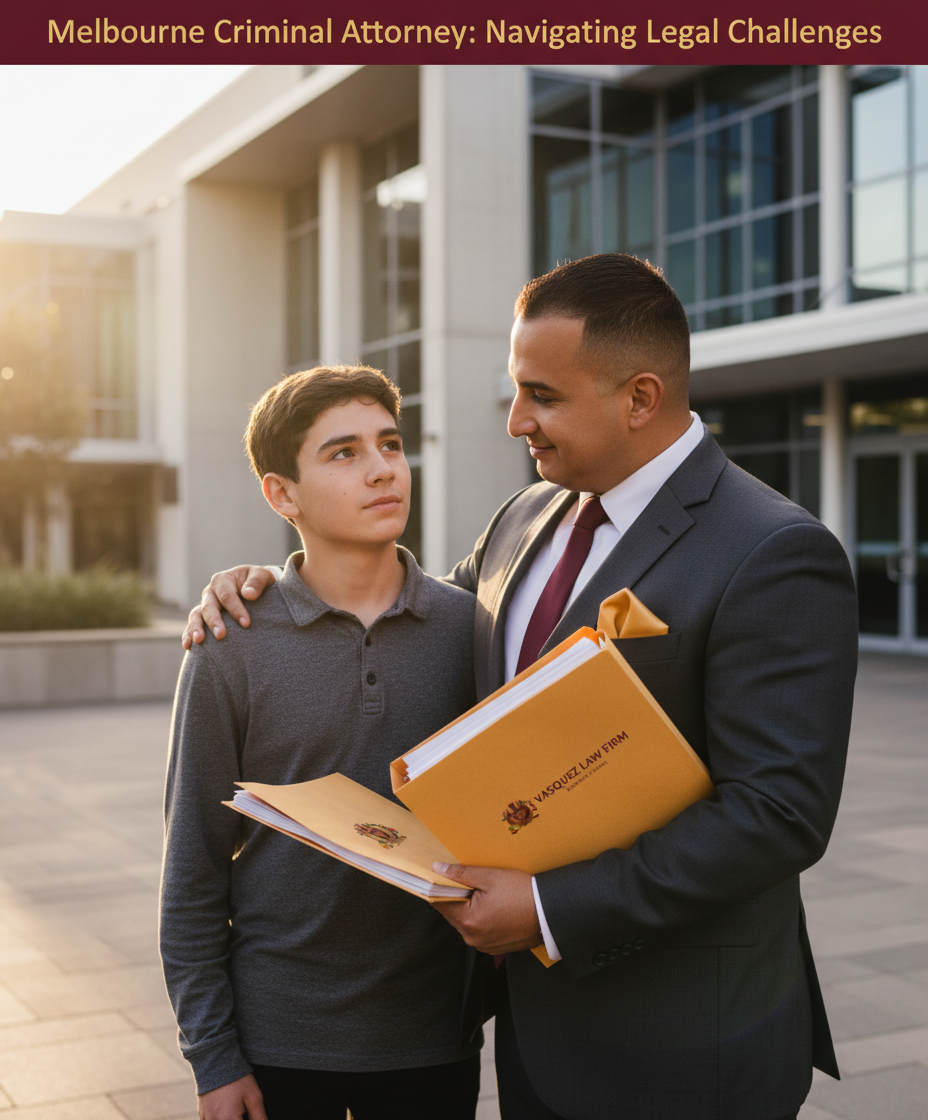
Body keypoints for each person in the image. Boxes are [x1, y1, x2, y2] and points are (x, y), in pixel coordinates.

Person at [183, 255, 859, 1120]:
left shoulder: (774, 551)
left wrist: (545, 906)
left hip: (687, 1047)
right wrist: (262, 588)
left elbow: (779, 813)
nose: (516, 422)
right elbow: (409, 609)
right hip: (534, 1044)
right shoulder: (526, 516)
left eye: (542, 395)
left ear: (640, 398)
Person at [161, 365, 483, 1120]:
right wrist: (213, 1058)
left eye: (391, 444)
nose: (382, 469)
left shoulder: (471, 630)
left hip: (432, 1039)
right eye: (343, 453)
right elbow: (193, 870)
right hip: (277, 1045)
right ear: (282, 494)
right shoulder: (229, 644)